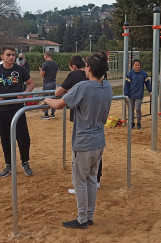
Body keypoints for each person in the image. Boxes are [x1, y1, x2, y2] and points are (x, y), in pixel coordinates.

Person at [44, 51, 113, 229]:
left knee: (80, 181)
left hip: (84, 141)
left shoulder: (84, 86)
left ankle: (82, 218)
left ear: (88, 69)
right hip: (99, 140)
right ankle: (89, 216)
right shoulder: (108, 88)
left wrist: (46, 99)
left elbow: (59, 104)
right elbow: (104, 117)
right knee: (91, 178)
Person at [0, 46, 35, 177]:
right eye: (8, 55)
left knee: (23, 138)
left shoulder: (20, 69)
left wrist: (25, 93)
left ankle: (25, 162)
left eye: (13, 55)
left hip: (17, 108)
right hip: (2, 109)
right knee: (5, 138)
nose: (11, 57)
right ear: (2, 56)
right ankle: (9, 165)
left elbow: (31, 83)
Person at [55, 55, 103, 190]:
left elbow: (58, 93)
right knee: (94, 149)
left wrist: (48, 99)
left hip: (82, 116)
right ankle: (96, 178)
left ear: (74, 67)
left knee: (81, 148)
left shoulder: (76, 77)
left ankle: (80, 185)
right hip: (96, 117)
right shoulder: (101, 81)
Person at [124, 59, 152, 130]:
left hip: (139, 95)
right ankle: (132, 122)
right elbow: (126, 85)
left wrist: (150, 91)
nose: (137, 66)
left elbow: (147, 83)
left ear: (140, 65)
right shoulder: (130, 74)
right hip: (131, 95)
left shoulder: (143, 74)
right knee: (131, 109)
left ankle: (139, 122)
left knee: (137, 108)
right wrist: (126, 94)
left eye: (138, 65)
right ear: (133, 66)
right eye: (135, 65)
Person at [39, 51, 58, 119]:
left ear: (46, 56)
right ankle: (52, 113)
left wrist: (41, 70)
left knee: (46, 98)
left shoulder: (45, 64)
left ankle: (46, 114)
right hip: (53, 82)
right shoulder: (55, 63)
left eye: (44, 56)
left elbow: (42, 74)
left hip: (47, 82)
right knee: (53, 97)